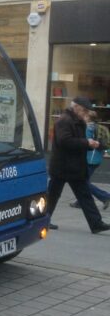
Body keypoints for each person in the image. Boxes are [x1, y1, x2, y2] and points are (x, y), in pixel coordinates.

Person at [47, 97, 110, 233]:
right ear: (76, 108)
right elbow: (65, 141)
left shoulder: (77, 121)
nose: (85, 114)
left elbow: (77, 142)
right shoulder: (65, 121)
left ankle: (96, 223)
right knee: (52, 195)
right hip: (63, 166)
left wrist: (89, 144)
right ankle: (43, 221)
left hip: (74, 166)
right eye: (84, 110)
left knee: (85, 195)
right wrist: (87, 143)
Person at [69, 110, 110, 210]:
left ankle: (105, 196)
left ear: (87, 118)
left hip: (88, 159)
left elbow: (84, 143)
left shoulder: (88, 128)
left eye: (84, 116)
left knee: (82, 182)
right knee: (82, 181)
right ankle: (80, 202)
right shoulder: (98, 127)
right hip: (96, 159)